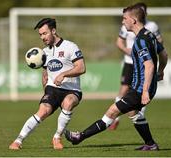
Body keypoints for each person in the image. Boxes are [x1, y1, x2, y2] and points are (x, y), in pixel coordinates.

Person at [64, 4, 168, 151]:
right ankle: (150, 144)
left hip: (140, 89)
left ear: (133, 20)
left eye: (124, 18)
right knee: (133, 113)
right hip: (141, 87)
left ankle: (79, 137)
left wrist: (145, 91)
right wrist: (162, 71)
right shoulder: (149, 35)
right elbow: (164, 54)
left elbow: (149, 65)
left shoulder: (140, 41)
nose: (122, 21)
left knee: (112, 111)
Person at [9, 18, 86, 150]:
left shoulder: (70, 46)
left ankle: (57, 137)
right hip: (53, 89)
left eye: (45, 33)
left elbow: (81, 68)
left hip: (72, 89)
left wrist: (63, 74)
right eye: (40, 35)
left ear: (53, 31)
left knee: (68, 103)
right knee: (43, 110)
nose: (42, 37)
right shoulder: (44, 52)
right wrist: (45, 86)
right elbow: (45, 72)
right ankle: (18, 140)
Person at [109, 2, 164, 130]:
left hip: (144, 63)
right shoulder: (126, 24)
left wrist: (152, 54)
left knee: (141, 92)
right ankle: (115, 118)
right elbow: (119, 42)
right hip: (129, 62)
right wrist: (126, 50)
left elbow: (160, 42)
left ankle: (139, 116)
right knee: (123, 90)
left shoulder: (152, 26)